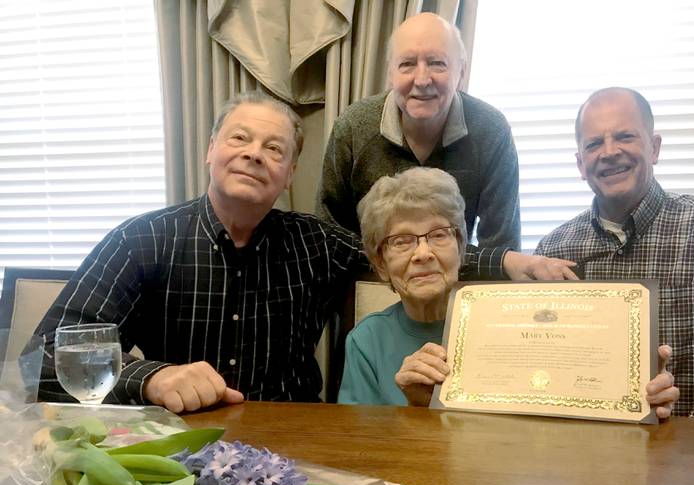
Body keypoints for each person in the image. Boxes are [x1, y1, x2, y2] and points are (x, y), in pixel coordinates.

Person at [33, 91, 574, 414]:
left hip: (300, 451)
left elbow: (404, 248)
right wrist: (150, 378)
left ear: (290, 174)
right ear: (210, 151)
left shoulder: (315, 243)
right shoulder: (140, 241)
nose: (254, 155)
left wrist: (504, 261)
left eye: (275, 149)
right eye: (239, 139)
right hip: (178, 448)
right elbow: (41, 364)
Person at [339, 167, 678, 413]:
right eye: (402, 241)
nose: (424, 253)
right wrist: (415, 408)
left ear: (461, 248)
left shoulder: (515, 323)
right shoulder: (366, 342)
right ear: (381, 263)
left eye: (439, 235)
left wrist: (638, 392)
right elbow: (364, 448)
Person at [536, 87, 694, 419]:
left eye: (625, 136)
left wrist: (680, 460)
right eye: (594, 144)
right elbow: (540, 372)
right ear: (580, 163)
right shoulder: (552, 250)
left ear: (654, 148)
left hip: (688, 459)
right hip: (578, 457)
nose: (609, 152)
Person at [317, 12, 520, 250]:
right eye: (407, 64)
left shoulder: (491, 131)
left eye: (437, 63)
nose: (422, 80)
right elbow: (328, 240)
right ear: (390, 74)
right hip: (369, 279)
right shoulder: (352, 127)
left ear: (461, 73)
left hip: (457, 278)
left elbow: (502, 249)